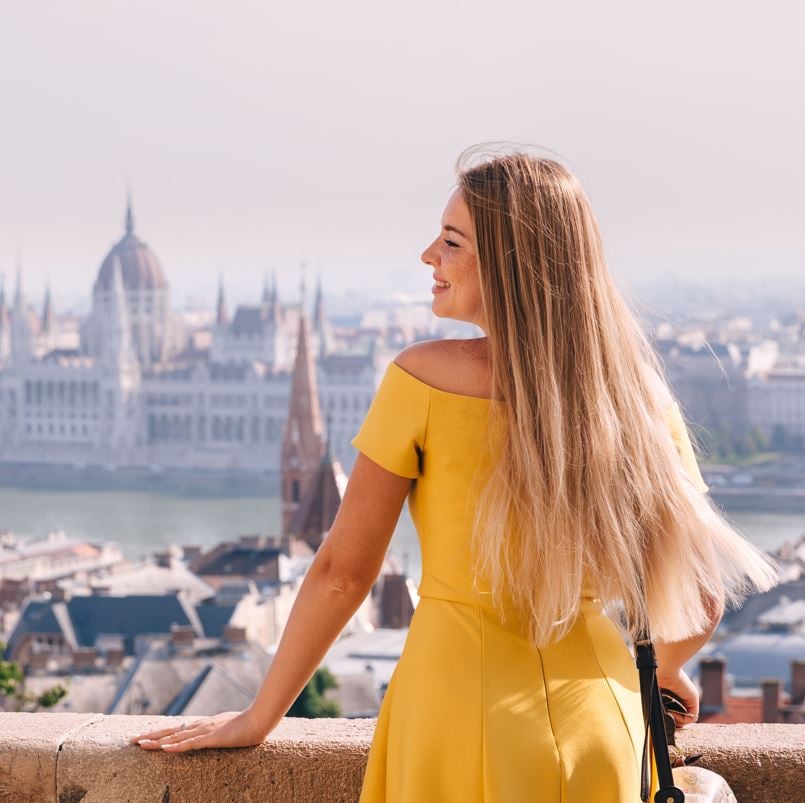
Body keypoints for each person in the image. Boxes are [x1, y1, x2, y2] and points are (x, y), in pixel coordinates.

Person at [131, 148, 778, 801]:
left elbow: (342, 572)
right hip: (602, 721)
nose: (427, 256)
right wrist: (664, 669)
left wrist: (259, 714)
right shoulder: (635, 394)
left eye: (450, 240)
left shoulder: (420, 379)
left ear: (507, 261)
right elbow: (699, 595)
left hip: (457, 715)